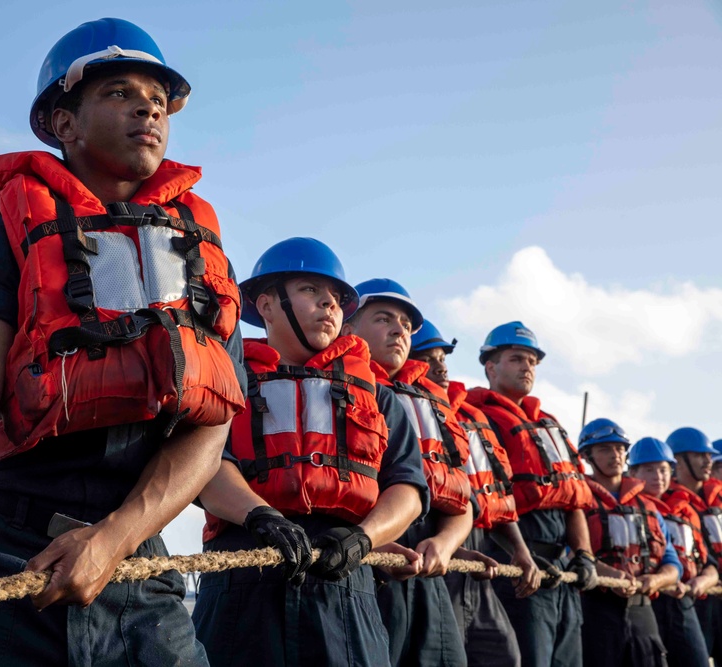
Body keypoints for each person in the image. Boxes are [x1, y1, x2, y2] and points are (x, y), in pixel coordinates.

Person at [0, 18, 248, 666]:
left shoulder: (199, 253)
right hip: (0, 553)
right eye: (118, 92)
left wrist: (116, 537)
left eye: (157, 97)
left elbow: (211, 426)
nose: (148, 106)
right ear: (64, 123)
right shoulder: (2, 236)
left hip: (137, 557)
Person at [193, 238, 429, 666]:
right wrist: (260, 516)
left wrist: (365, 537)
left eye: (337, 299)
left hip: (345, 576)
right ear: (265, 304)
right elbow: (205, 465)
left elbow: (408, 488)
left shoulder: (376, 394)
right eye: (310, 291)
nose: (329, 305)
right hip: (242, 571)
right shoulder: (226, 378)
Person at [341, 280, 472, 667]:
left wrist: (446, 543)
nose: (399, 330)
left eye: (405, 323)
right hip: (360, 567)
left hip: (428, 571)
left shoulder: (430, 405)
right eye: (383, 319)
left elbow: (463, 501)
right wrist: (370, 544)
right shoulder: (331, 390)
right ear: (347, 328)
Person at [465, 321, 598, 667]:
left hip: (562, 573)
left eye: (532, 361)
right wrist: (518, 554)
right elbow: (488, 497)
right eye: (517, 358)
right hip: (516, 569)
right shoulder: (482, 421)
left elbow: (575, 500)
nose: (527, 367)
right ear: (491, 366)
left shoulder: (548, 425)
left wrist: (583, 555)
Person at [409, 320, 540, 667]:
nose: (441, 366)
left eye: (443, 358)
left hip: (479, 564)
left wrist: (520, 551)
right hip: (435, 560)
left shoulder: (468, 416)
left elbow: (492, 499)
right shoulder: (405, 407)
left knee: (504, 657)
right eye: (428, 357)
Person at [576, 419, 679, 667]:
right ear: (587, 456)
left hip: (643, 612)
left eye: (620, 449)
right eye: (604, 449)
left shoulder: (648, 507)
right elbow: (570, 552)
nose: (615, 455)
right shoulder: (578, 500)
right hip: (596, 609)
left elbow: (672, 563)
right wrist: (609, 574)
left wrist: (656, 580)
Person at [629, 436, 715, 667]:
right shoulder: (628, 509)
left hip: (684, 601)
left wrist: (703, 581)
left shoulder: (686, 512)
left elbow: (709, 562)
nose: (658, 476)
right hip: (645, 602)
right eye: (649, 470)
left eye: (664, 470)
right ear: (633, 474)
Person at [664, 427, 722, 665]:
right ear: (678, 460)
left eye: (709, 455)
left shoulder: (719, 499)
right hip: (685, 598)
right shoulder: (664, 501)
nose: (708, 460)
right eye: (701, 455)